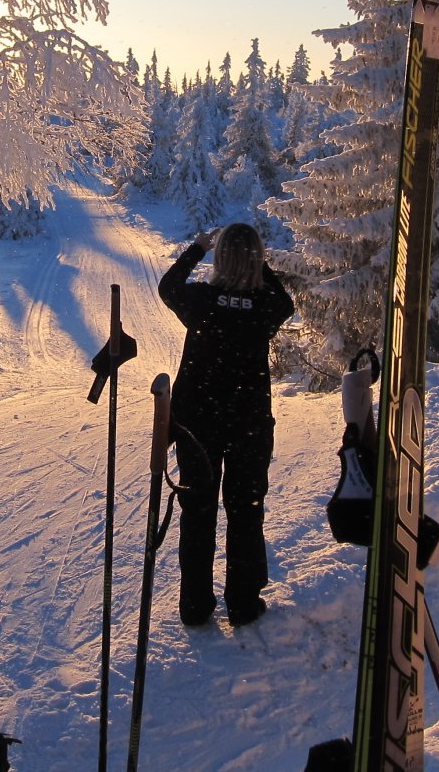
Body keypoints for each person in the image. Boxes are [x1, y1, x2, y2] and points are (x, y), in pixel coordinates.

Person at [158, 222, 294, 627]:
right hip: (248, 424)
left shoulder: (201, 299)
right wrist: (259, 268)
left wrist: (197, 248)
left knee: (197, 511)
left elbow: (169, 285)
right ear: (257, 259)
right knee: (245, 510)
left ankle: (196, 606)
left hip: (198, 423)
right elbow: (284, 302)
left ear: (219, 259)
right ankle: (242, 602)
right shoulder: (264, 307)